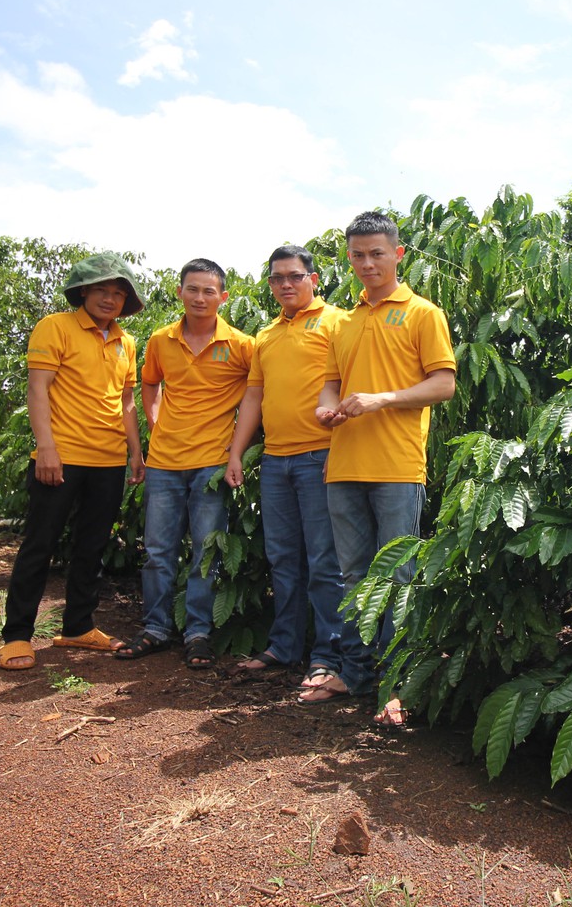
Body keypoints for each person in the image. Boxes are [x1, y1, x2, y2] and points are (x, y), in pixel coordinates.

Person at [304, 212, 456, 725]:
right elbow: (330, 382)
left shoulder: (422, 313)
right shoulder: (342, 323)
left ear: (398, 255)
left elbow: (443, 384)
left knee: (397, 576)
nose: (367, 263)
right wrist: (326, 408)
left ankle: (397, 686)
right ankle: (354, 672)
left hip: (397, 465)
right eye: (357, 255)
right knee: (353, 576)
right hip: (343, 463)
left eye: (376, 253)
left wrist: (381, 399)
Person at [0, 253, 146, 671]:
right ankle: (17, 636)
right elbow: (38, 389)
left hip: (108, 459)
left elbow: (127, 402)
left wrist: (135, 453)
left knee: (93, 545)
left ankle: (79, 626)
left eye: (118, 293)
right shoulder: (55, 327)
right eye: (102, 290)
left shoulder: (126, 341)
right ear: (84, 291)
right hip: (61, 456)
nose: (110, 299)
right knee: (39, 544)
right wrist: (46, 447)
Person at [224, 244, 359, 689]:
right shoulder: (265, 335)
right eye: (278, 278)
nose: (286, 284)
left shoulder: (338, 322)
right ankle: (284, 646)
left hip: (321, 456)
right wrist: (237, 453)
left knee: (324, 561)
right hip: (277, 459)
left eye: (295, 276)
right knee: (283, 557)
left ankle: (327, 655)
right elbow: (254, 398)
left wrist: (340, 451)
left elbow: (350, 385)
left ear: (314, 279)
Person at [115, 258, 253, 669]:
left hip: (212, 464)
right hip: (164, 463)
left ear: (223, 297)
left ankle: (198, 632)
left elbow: (257, 391)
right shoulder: (160, 340)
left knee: (205, 554)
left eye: (209, 291)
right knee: (158, 550)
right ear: (180, 292)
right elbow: (150, 382)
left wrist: (236, 452)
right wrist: (156, 421)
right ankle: (155, 628)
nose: (200, 297)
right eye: (192, 289)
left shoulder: (242, 345)